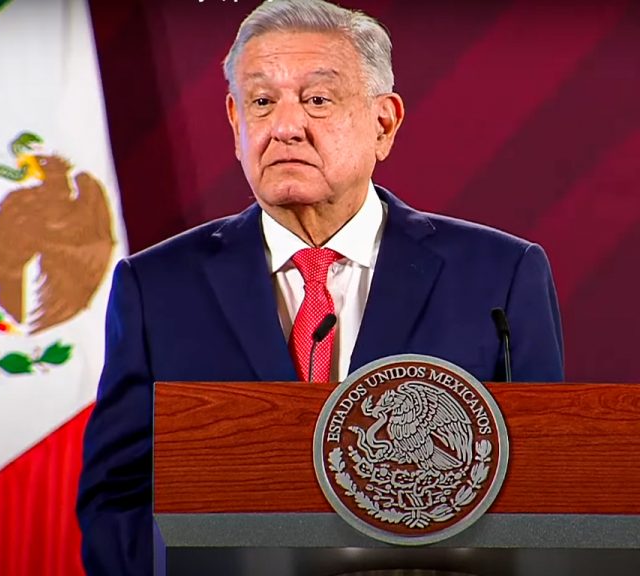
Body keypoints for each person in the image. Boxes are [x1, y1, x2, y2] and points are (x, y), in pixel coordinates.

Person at [77, 0, 564, 574]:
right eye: (262, 102)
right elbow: (117, 503)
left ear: (384, 123)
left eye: (317, 100)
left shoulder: (499, 276)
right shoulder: (156, 287)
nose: (285, 127)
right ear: (236, 123)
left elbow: (546, 497)